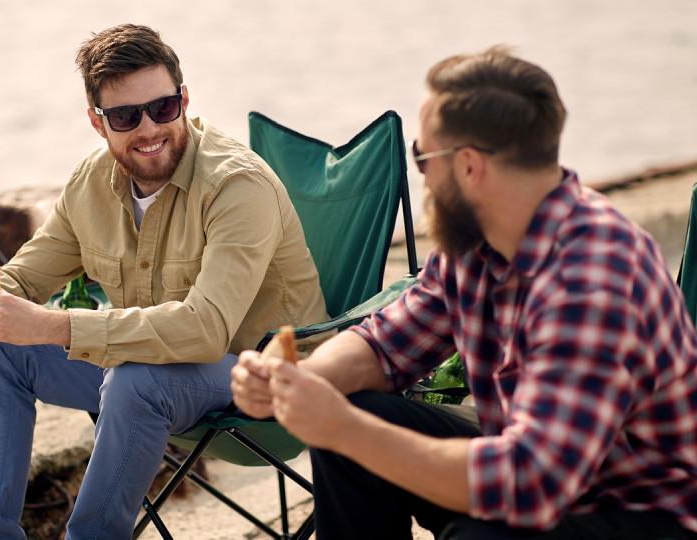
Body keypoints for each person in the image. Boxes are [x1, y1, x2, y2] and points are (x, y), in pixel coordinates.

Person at [232, 46, 697, 539]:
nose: (422, 176)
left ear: (470, 166)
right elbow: (385, 345)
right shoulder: (479, 240)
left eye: (422, 157)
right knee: (351, 419)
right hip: (538, 479)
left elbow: (528, 484)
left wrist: (341, 426)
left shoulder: (592, 275)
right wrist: (295, 383)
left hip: (639, 515)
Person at [0, 24, 328, 539]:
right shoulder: (92, 183)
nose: (148, 129)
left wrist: (55, 326)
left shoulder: (236, 186)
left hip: (262, 380)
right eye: (125, 116)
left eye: (162, 108)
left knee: (136, 381)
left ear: (183, 98)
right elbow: (28, 275)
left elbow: (206, 330)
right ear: (98, 123)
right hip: (154, 378)